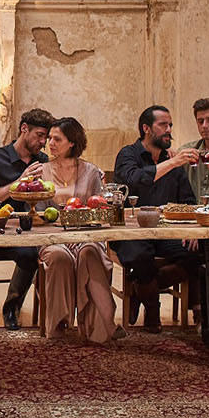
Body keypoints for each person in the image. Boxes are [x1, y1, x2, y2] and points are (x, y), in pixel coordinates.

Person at [111, 105, 202, 333]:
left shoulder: (173, 161)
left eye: (170, 125)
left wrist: (192, 230)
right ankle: (152, 310)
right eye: (163, 125)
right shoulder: (128, 154)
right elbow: (133, 180)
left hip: (166, 230)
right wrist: (172, 162)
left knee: (200, 253)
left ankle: (139, 288)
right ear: (146, 128)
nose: (169, 130)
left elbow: (188, 201)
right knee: (140, 256)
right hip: (131, 230)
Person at [37, 118, 124, 345]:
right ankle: (58, 326)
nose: (50, 143)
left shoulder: (91, 171)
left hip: (87, 235)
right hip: (53, 237)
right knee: (59, 257)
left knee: (90, 253)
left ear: (72, 142)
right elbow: (39, 215)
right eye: (50, 138)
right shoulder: (41, 171)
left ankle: (103, 326)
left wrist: (83, 231)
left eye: (57, 139)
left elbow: (99, 209)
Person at [0, 108, 53, 340]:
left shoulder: (43, 161)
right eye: (39, 135)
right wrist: (19, 181)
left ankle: (12, 308)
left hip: (26, 232)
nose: (43, 142)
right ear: (24, 129)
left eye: (46, 137)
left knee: (29, 254)